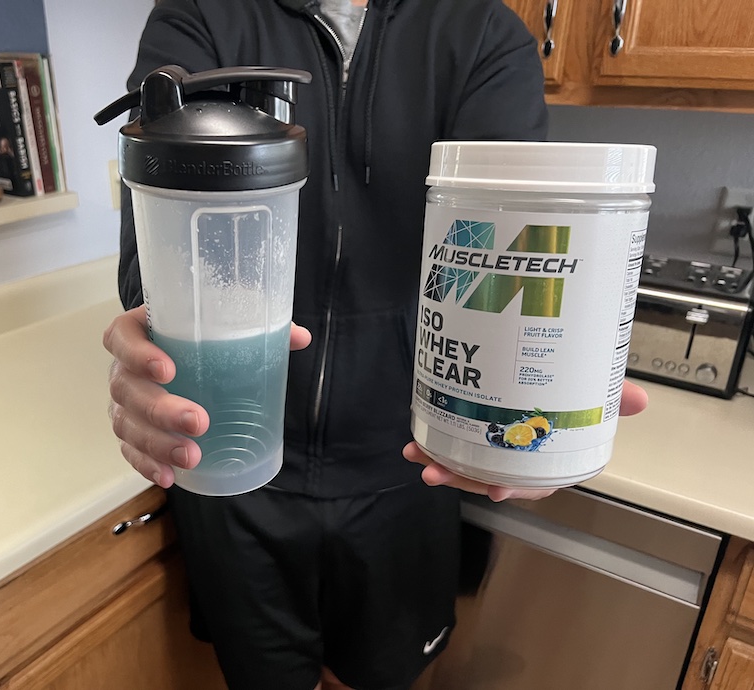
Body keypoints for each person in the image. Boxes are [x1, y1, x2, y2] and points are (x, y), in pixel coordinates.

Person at [104, 1, 650, 688]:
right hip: (232, 449)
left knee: (381, 678)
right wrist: (151, 337)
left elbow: (510, 238)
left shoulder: (482, 32)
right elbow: (154, 249)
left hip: (404, 465)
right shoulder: (204, 15)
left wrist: (540, 385)